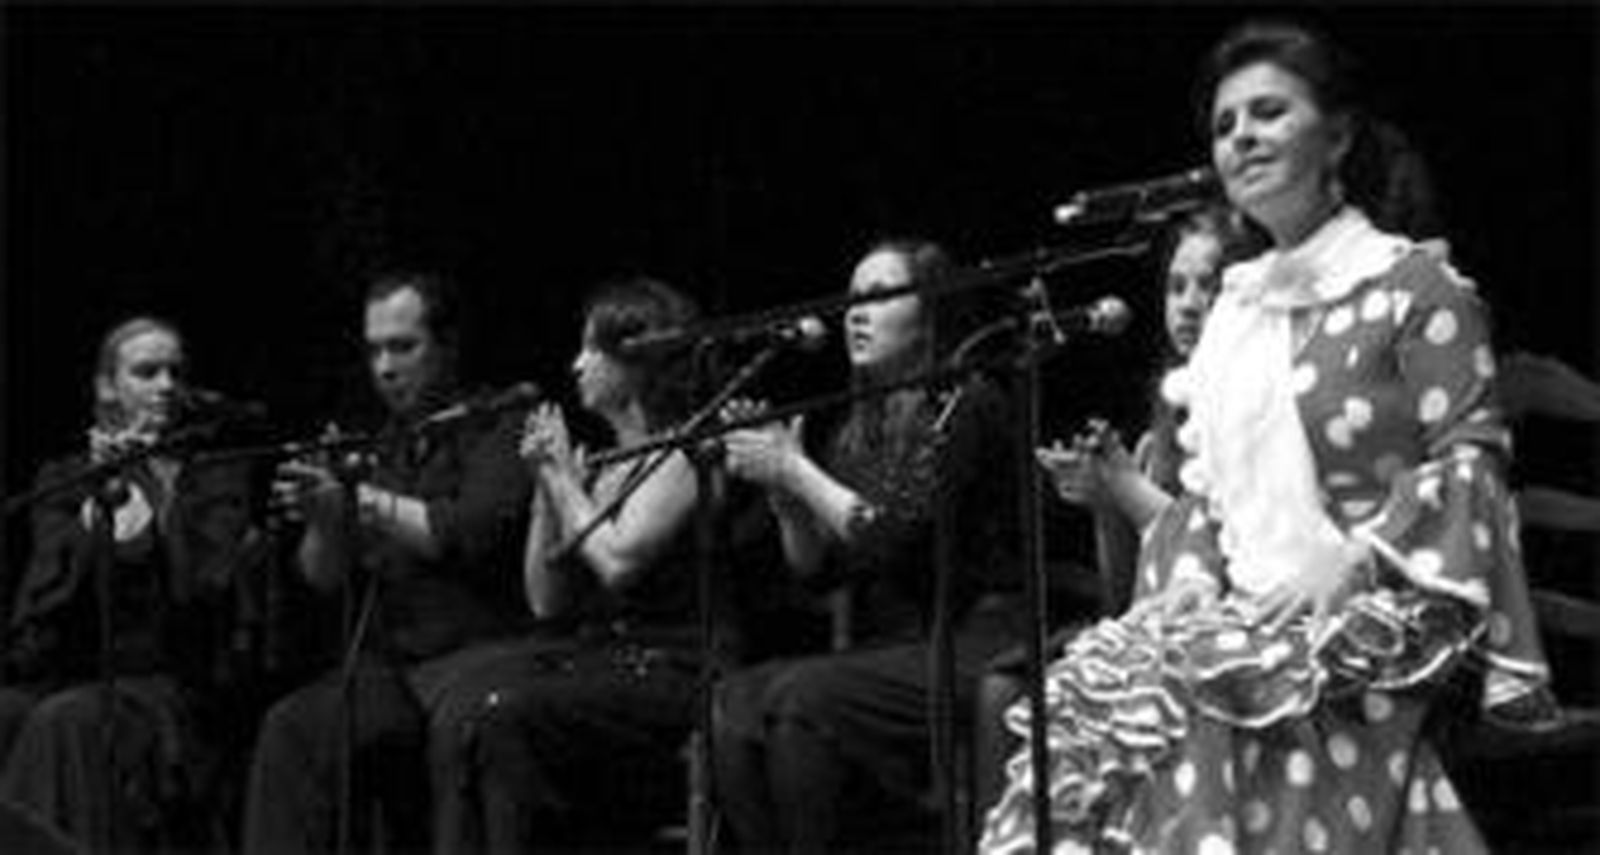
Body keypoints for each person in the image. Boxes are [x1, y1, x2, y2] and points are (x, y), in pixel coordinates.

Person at [979, 20, 1550, 854]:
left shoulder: (1415, 286)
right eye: (1224, 124)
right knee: (1089, 706)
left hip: (1390, 604)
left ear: (1339, 135)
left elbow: (1473, 459)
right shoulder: (1235, 313)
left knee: (1207, 698)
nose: (1241, 136)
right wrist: (1189, 580)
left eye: (1268, 112)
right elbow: (1210, 495)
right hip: (1252, 611)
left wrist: (1357, 559)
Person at [712, 237, 1022, 854]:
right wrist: (785, 497)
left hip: (978, 641)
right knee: (734, 702)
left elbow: (892, 541)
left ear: (930, 314)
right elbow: (819, 573)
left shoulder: (964, 404)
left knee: (803, 701)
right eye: (852, 299)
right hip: (899, 646)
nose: (856, 312)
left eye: (880, 296)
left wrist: (797, 472)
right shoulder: (860, 428)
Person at [972, 204, 1263, 820]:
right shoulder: (1161, 429)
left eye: (1209, 286)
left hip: (1241, 631)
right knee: (1004, 685)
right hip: (1155, 626)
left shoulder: (1263, 407)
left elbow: (1227, 549)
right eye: (1177, 286)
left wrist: (1127, 488)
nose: (1187, 304)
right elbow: (1123, 592)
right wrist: (1106, 504)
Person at [241, 271, 533, 855]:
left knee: (324, 729)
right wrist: (324, 516)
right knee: (291, 724)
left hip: (481, 656)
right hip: (396, 670)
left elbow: (464, 532)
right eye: (374, 350)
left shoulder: (503, 420)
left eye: (403, 347)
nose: (385, 367)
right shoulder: (381, 446)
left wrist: (358, 498)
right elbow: (324, 577)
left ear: (447, 346)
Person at [428, 276, 719, 854]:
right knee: (464, 708)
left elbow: (618, 562)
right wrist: (547, 490)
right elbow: (546, 601)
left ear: (637, 362)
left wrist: (563, 480)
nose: (577, 363)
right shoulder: (602, 467)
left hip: (677, 666)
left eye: (593, 349)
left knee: (506, 718)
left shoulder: (688, 452)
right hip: (601, 662)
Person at [1, 316, 269, 852]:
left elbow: (203, 594)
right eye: (147, 372)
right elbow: (42, 609)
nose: (166, 386)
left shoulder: (215, 479)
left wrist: (159, 496)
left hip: (172, 682)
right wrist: (98, 506)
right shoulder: (65, 478)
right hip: (77, 673)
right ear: (107, 387)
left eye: (176, 372)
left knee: (69, 721)